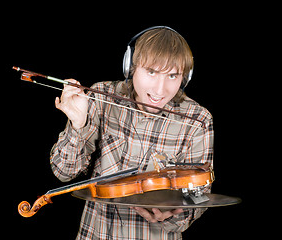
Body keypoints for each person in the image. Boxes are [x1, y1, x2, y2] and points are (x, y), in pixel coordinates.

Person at [50, 26, 214, 240]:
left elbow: (200, 196)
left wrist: (172, 216)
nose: (160, 89)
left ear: (185, 77)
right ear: (131, 67)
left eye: (173, 75)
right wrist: (78, 125)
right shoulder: (104, 97)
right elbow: (64, 172)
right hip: (96, 233)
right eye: (151, 72)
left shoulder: (198, 120)